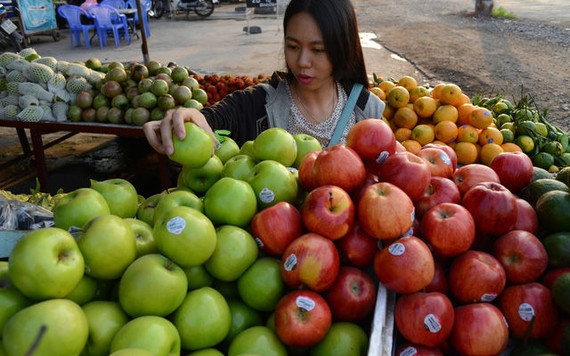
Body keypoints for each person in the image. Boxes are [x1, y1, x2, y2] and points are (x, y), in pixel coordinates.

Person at [143, 0, 385, 156]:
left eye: (318, 50)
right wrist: (187, 118)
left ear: (343, 48)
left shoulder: (367, 111)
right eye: (292, 46)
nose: (302, 62)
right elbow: (214, 119)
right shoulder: (257, 104)